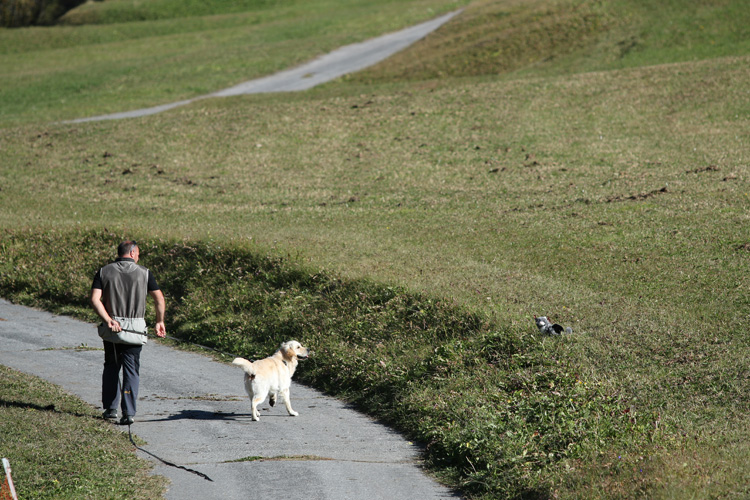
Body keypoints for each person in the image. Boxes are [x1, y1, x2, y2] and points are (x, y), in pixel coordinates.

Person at [90, 240, 166, 425]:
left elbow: (94, 299)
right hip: (136, 329)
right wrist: (159, 321)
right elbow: (159, 299)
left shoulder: (104, 271)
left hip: (112, 330)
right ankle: (129, 413)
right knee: (131, 370)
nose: (138, 256)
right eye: (138, 253)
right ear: (132, 253)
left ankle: (110, 409)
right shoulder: (145, 273)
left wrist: (108, 320)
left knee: (111, 366)